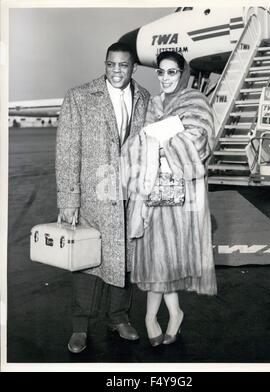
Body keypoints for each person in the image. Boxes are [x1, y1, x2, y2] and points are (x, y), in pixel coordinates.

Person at [56, 42, 150, 353]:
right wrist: (69, 201)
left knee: (124, 262)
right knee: (86, 263)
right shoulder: (80, 97)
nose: (117, 71)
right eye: (111, 65)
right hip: (93, 199)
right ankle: (79, 327)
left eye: (123, 65)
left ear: (133, 67)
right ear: (105, 64)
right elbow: (67, 154)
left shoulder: (145, 99)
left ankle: (118, 318)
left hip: (129, 196)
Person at [122, 51, 217, 347]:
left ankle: (162, 316)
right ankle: (168, 314)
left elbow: (200, 141)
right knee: (155, 260)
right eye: (161, 73)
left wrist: (159, 142)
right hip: (151, 195)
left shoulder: (195, 101)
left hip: (181, 198)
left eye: (171, 72)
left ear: (182, 73)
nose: (165, 78)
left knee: (169, 261)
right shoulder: (152, 104)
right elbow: (135, 144)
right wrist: (159, 139)